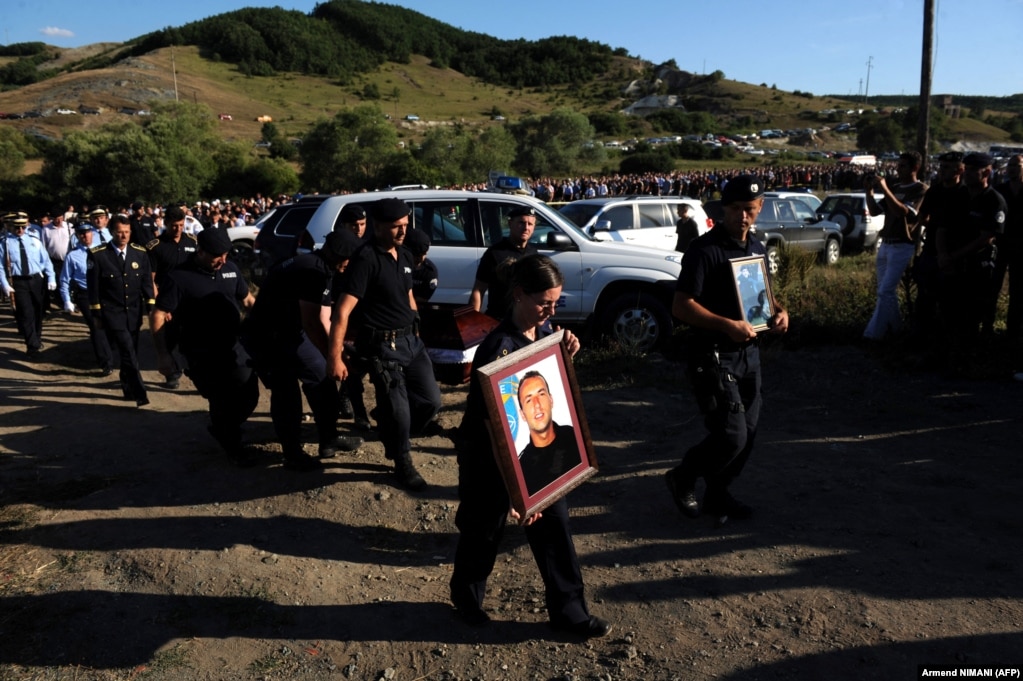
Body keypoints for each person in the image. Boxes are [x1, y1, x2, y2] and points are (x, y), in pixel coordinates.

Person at [449, 253, 610, 638]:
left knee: (556, 528)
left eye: (556, 303)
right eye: (544, 303)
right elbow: (495, 428)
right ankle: (466, 598)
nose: (550, 311)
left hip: (537, 457)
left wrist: (565, 346)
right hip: (490, 457)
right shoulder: (498, 349)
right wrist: (521, 492)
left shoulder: (544, 327)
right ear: (519, 295)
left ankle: (571, 614)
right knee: (483, 530)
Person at [664, 175, 789, 523]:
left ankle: (718, 495)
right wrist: (726, 325)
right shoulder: (704, 250)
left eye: (749, 209)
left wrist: (779, 312)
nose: (742, 216)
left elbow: (763, 293)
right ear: (723, 209)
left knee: (748, 435)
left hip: (750, 355)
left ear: (760, 206)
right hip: (713, 356)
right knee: (731, 435)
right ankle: (683, 477)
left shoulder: (757, 248)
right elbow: (681, 306)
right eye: (734, 209)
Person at [327, 198, 442, 490]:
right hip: (383, 347)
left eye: (405, 225)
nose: (403, 231)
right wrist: (335, 357)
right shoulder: (365, 259)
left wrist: (416, 320)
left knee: (431, 402)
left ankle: (389, 422)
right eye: (396, 227)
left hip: (411, 342)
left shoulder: (403, 255)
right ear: (377, 227)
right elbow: (342, 311)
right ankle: (402, 461)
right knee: (401, 413)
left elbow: (408, 293)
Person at [244, 230, 365, 471]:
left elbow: (319, 316)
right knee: (286, 392)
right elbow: (311, 322)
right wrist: (334, 355)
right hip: (269, 338)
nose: (349, 266)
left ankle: (328, 438)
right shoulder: (314, 272)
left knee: (322, 378)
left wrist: (334, 351)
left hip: (290, 332)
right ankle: (292, 453)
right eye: (348, 260)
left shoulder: (313, 262)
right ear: (338, 255)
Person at [151, 228, 261, 466]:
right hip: (201, 352)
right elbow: (159, 314)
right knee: (221, 399)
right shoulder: (178, 278)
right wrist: (163, 355)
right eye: (216, 256)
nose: (222, 260)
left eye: (225, 254)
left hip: (234, 346)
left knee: (249, 393)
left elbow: (248, 300)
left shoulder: (230, 269)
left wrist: (268, 316)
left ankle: (223, 428)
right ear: (200, 251)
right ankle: (233, 447)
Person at [935, 152, 1008, 368]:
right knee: (947, 313)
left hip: (976, 268)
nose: (966, 174)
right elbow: (942, 227)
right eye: (965, 169)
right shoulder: (958, 196)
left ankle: (969, 362)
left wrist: (953, 257)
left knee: (971, 317)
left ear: (986, 172)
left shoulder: (994, 201)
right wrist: (942, 255)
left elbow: (986, 238)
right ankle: (946, 359)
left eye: (972, 171)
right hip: (950, 265)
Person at [87, 213, 155, 407]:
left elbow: (146, 283)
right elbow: (94, 288)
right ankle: (140, 392)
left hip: (133, 312)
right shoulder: (98, 255)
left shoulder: (139, 253)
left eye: (126, 232)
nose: (123, 236)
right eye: (119, 233)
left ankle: (127, 386)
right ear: (111, 233)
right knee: (127, 350)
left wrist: (150, 307)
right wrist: (97, 314)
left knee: (131, 350)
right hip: (112, 312)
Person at [862, 152, 928, 341]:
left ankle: (872, 334)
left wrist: (884, 187)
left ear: (914, 168)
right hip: (886, 243)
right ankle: (897, 330)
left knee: (885, 291)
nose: (898, 170)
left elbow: (902, 212)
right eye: (898, 166)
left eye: (903, 166)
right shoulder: (896, 187)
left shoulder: (920, 189)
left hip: (902, 245)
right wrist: (870, 192)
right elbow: (875, 211)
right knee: (884, 291)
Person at [912, 151, 965, 345]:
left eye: (946, 168)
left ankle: (946, 345)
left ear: (959, 170)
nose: (941, 171)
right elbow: (923, 217)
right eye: (941, 167)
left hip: (955, 252)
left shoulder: (964, 192)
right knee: (925, 300)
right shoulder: (935, 191)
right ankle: (922, 343)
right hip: (932, 249)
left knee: (949, 303)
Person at [146, 205, 198, 389]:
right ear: (166, 223)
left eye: (181, 225)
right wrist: (161, 306)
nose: (178, 229)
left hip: (189, 299)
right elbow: (151, 279)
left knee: (193, 338)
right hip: (167, 300)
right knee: (168, 340)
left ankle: (195, 370)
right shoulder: (155, 247)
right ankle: (172, 373)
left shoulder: (192, 242)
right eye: (174, 225)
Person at [59, 222, 113, 375]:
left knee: (111, 324)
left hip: (105, 293)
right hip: (86, 295)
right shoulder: (72, 256)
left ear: (92, 233)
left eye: (87, 232)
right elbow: (65, 279)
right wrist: (66, 300)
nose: (85, 236)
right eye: (81, 233)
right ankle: (105, 362)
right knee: (96, 326)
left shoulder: (104, 250)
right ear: (77, 236)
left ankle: (110, 351)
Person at [515, 370, 579, 496]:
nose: (537, 405)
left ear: (551, 400)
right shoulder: (523, 467)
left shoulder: (575, 437)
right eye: (529, 400)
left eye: (541, 394)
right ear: (522, 414)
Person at [0, 211, 56, 357]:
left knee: (38, 311)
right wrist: (4, 284)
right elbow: (0, 266)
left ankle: (37, 337)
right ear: (11, 226)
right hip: (18, 282)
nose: (20, 230)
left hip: (36, 279)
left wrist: (51, 278)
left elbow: (45, 260)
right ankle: (32, 345)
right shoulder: (4, 243)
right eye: (17, 227)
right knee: (26, 313)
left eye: (22, 227)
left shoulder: (34, 240)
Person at [469, 205, 538, 319]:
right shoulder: (495, 253)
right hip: (499, 320)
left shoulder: (534, 253)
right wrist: (473, 321)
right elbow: (479, 289)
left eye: (530, 224)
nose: (526, 227)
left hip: (525, 321)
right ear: (510, 224)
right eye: (521, 222)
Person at [992, 155, 1022, 343]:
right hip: (1000, 245)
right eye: (1010, 165)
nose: (1012, 168)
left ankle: (1012, 333)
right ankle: (987, 326)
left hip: (1020, 248)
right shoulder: (1000, 190)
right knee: (992, 287)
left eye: (1017, 165)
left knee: (1017, 292)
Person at [406, 227, 438, 305]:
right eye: (416, 255)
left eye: (423, 254)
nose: (421, 259)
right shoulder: (395, 264)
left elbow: (421, 301)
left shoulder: (429, 272)